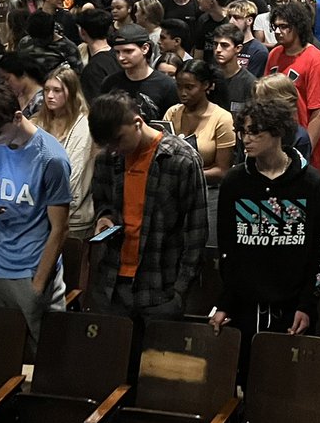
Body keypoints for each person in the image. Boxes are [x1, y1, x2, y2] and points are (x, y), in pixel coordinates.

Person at [210, 99, 320, 377]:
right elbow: (227, 250)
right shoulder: (235, 182)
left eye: (255, 132)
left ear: (277, 132)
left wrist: (307, 304)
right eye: (243, 132)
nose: (246, 139)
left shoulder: (311, 184)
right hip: (244, 308)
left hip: (292, 310)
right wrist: (225, 301)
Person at [0, 85, 72, 354]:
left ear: (16, 117)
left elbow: (60, 228)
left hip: (29, 267)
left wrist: (38, 285)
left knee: (39, 352)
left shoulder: (51, 158)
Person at [88, 91, 208, 320]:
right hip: (112, 285)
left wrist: (180, 291)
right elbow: (103, 203)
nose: (114, 149)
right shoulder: (107, 158)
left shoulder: (181, 159)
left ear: (137, 123)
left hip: (160, 287)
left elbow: (196, 232)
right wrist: (104, 219)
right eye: (108, 144)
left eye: (118, 140)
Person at [165, 59, 234, 250]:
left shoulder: (222, 118)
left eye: (189, 87)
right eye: (179, 87)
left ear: (206, 86)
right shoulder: (172, 113)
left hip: (208, 195)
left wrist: (187, 173)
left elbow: (222, 170)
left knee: (204, 251)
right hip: (174, 195)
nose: (183, 93)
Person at [266, 0, 320, 172]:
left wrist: (304, 151)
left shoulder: (316, 60)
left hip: (303, 145)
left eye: (284, 26)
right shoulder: (274, 54)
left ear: (298, 26)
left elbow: (319, 113)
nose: (278, 32)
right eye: (275, 27)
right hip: (276, 142)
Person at [34, 66, 96, 239]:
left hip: (73, 215)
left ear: (71, 92)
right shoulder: (39, 122)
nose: (50, 96)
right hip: (39, 212)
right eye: (46, 90)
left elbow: (74, 175)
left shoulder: (84, 125)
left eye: (57, 90)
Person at [100, 24, 180, 121]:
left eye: (128, 51)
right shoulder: (110, 83)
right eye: (117, 52)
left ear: (145, 48)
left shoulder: (168, 86)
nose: (121, 57)